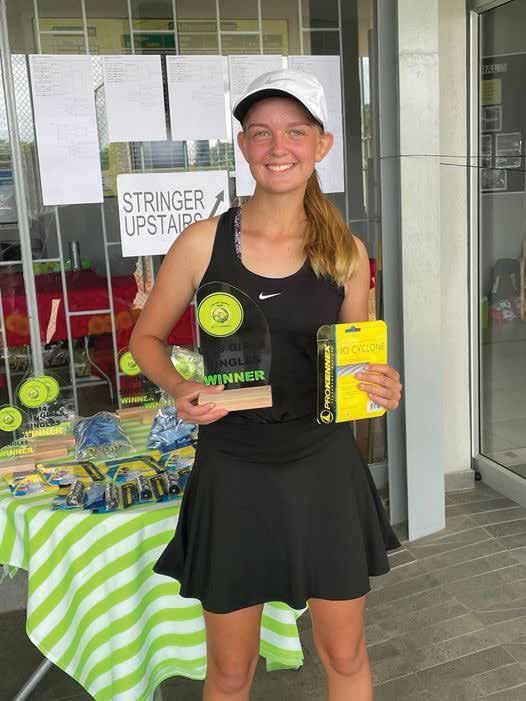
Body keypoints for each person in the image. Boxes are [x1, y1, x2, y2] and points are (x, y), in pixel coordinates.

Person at [130, 68, 403, 701]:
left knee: (345, 654)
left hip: (323, 465)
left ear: (322, 145)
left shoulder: (346, 252)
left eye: (296, 131)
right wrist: (178, 387)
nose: (278, 147)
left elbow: (354, 360)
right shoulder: (202, 243)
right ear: (244, 146)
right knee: (230, 671)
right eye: (261, 132)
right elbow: (146, 339)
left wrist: (379, 385)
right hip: (234, 466)